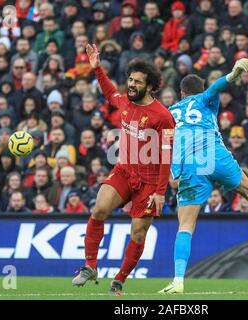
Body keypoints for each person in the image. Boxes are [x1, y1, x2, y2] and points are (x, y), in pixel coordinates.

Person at [158, 58, 248, 294]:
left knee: (185, 224)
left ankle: (178, 281)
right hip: (214, 156)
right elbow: (216, 88)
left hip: (190, 167)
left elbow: (163, 142)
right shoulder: (205, 98)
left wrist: (173, 171)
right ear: (198, 90)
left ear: (181, 93)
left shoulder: (170, 112)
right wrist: (234, 73)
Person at [72, 44, 175, 296]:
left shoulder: (162, 117)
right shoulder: (126, 102)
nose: (131, 85)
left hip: (150, 183)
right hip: (125, 171)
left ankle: (119, 280)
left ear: (150, 86)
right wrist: (97, 69)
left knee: (138, 233)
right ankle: (90, 265)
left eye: (137, 82)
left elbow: (165, 156)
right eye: (130, 79)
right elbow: (110, 93)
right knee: (99, 209)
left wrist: (160, 192)